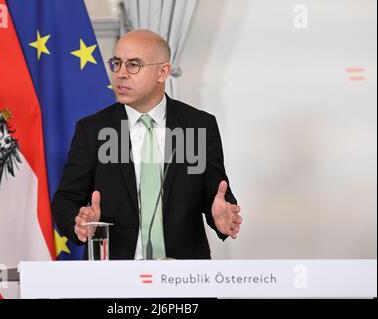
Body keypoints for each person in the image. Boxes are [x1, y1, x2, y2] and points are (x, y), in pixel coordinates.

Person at [51, 29, 242, 260]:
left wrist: (221, 216)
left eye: (133, 65)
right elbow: (66, 200)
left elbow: (217, 195)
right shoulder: (92, 130)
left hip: (184, 277)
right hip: (113, 274)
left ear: (163, 72)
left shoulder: (199, 126)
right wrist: (78, 222)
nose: (120, 74)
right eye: (117, 63)